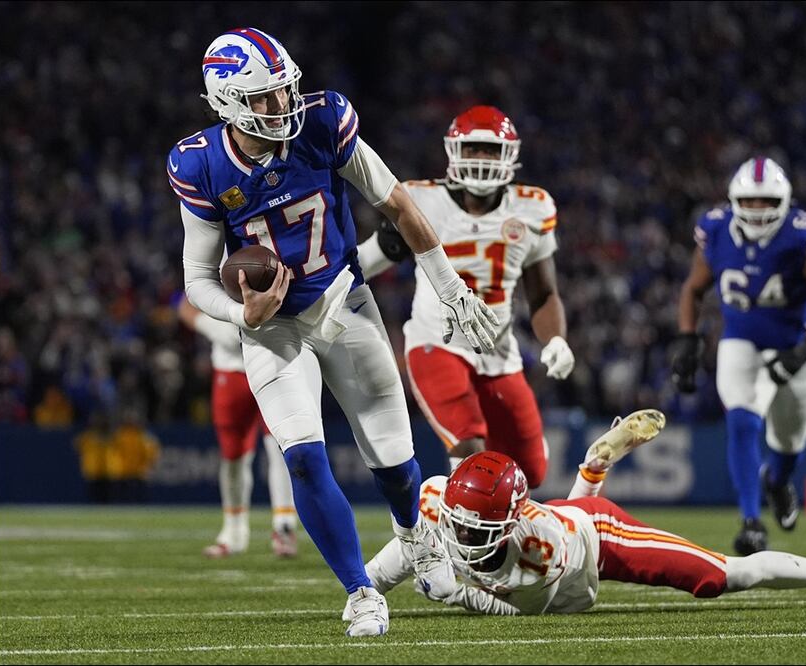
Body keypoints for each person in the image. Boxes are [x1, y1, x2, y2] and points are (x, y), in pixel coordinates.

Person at [171, 28, 499, 637]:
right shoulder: (200, 163)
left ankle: (414, 539)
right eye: (266, 98)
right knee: (301, 456)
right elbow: (196, 278)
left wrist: (452, 288)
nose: (284, 105)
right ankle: (361, 591)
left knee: (395, 462)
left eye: (285, 88)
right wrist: (241, 315)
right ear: (227, 102)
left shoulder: (324, 120)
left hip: (343, 300)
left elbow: (397, 202)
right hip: (273, 330)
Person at [363, 415, 806, 616]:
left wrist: (452, 589)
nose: (459, 532)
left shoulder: (537, 555)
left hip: (595, 540)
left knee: (723, 576)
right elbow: (413, 536)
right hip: (562, 518)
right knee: (394, 569)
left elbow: (534, 607)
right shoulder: (441, 498)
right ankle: (594, 466)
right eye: (458, 522)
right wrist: (367, 588)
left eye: (472, 529)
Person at [357, 105, 573, 487]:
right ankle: (460, 537)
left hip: (498, 353)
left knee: (532, 472)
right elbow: (368, 260)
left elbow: (543, 292)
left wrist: (555, 338)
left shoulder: (532, 206)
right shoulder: (419, 199)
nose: (482, 158)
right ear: (454, 151)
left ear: (510, 155)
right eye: (473, 148)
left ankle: (499, 535)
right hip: (436, 343)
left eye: (490, 150)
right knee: (468, 443)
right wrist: (322, 281)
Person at [671, 158, 806, 554]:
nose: (757, 210)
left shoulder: (801, 235)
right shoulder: (716, 229)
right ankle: (751, 520)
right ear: (735, 201)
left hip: (795, 344)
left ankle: (778, 481)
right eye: (749, 202)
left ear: (783, 201)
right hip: (741, 339)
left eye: (766, 201)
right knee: (741, 416)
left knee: (789, 441)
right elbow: (692, 288)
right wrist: (687, 338)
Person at [177, 297, 299, 559]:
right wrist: (218, 329)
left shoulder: (277, 255)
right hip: (231, 369)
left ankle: (284, 527)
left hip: (275, 361)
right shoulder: (213, 256)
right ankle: (233, 533)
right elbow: (185, 304)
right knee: (233, 456)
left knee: (280, 448)